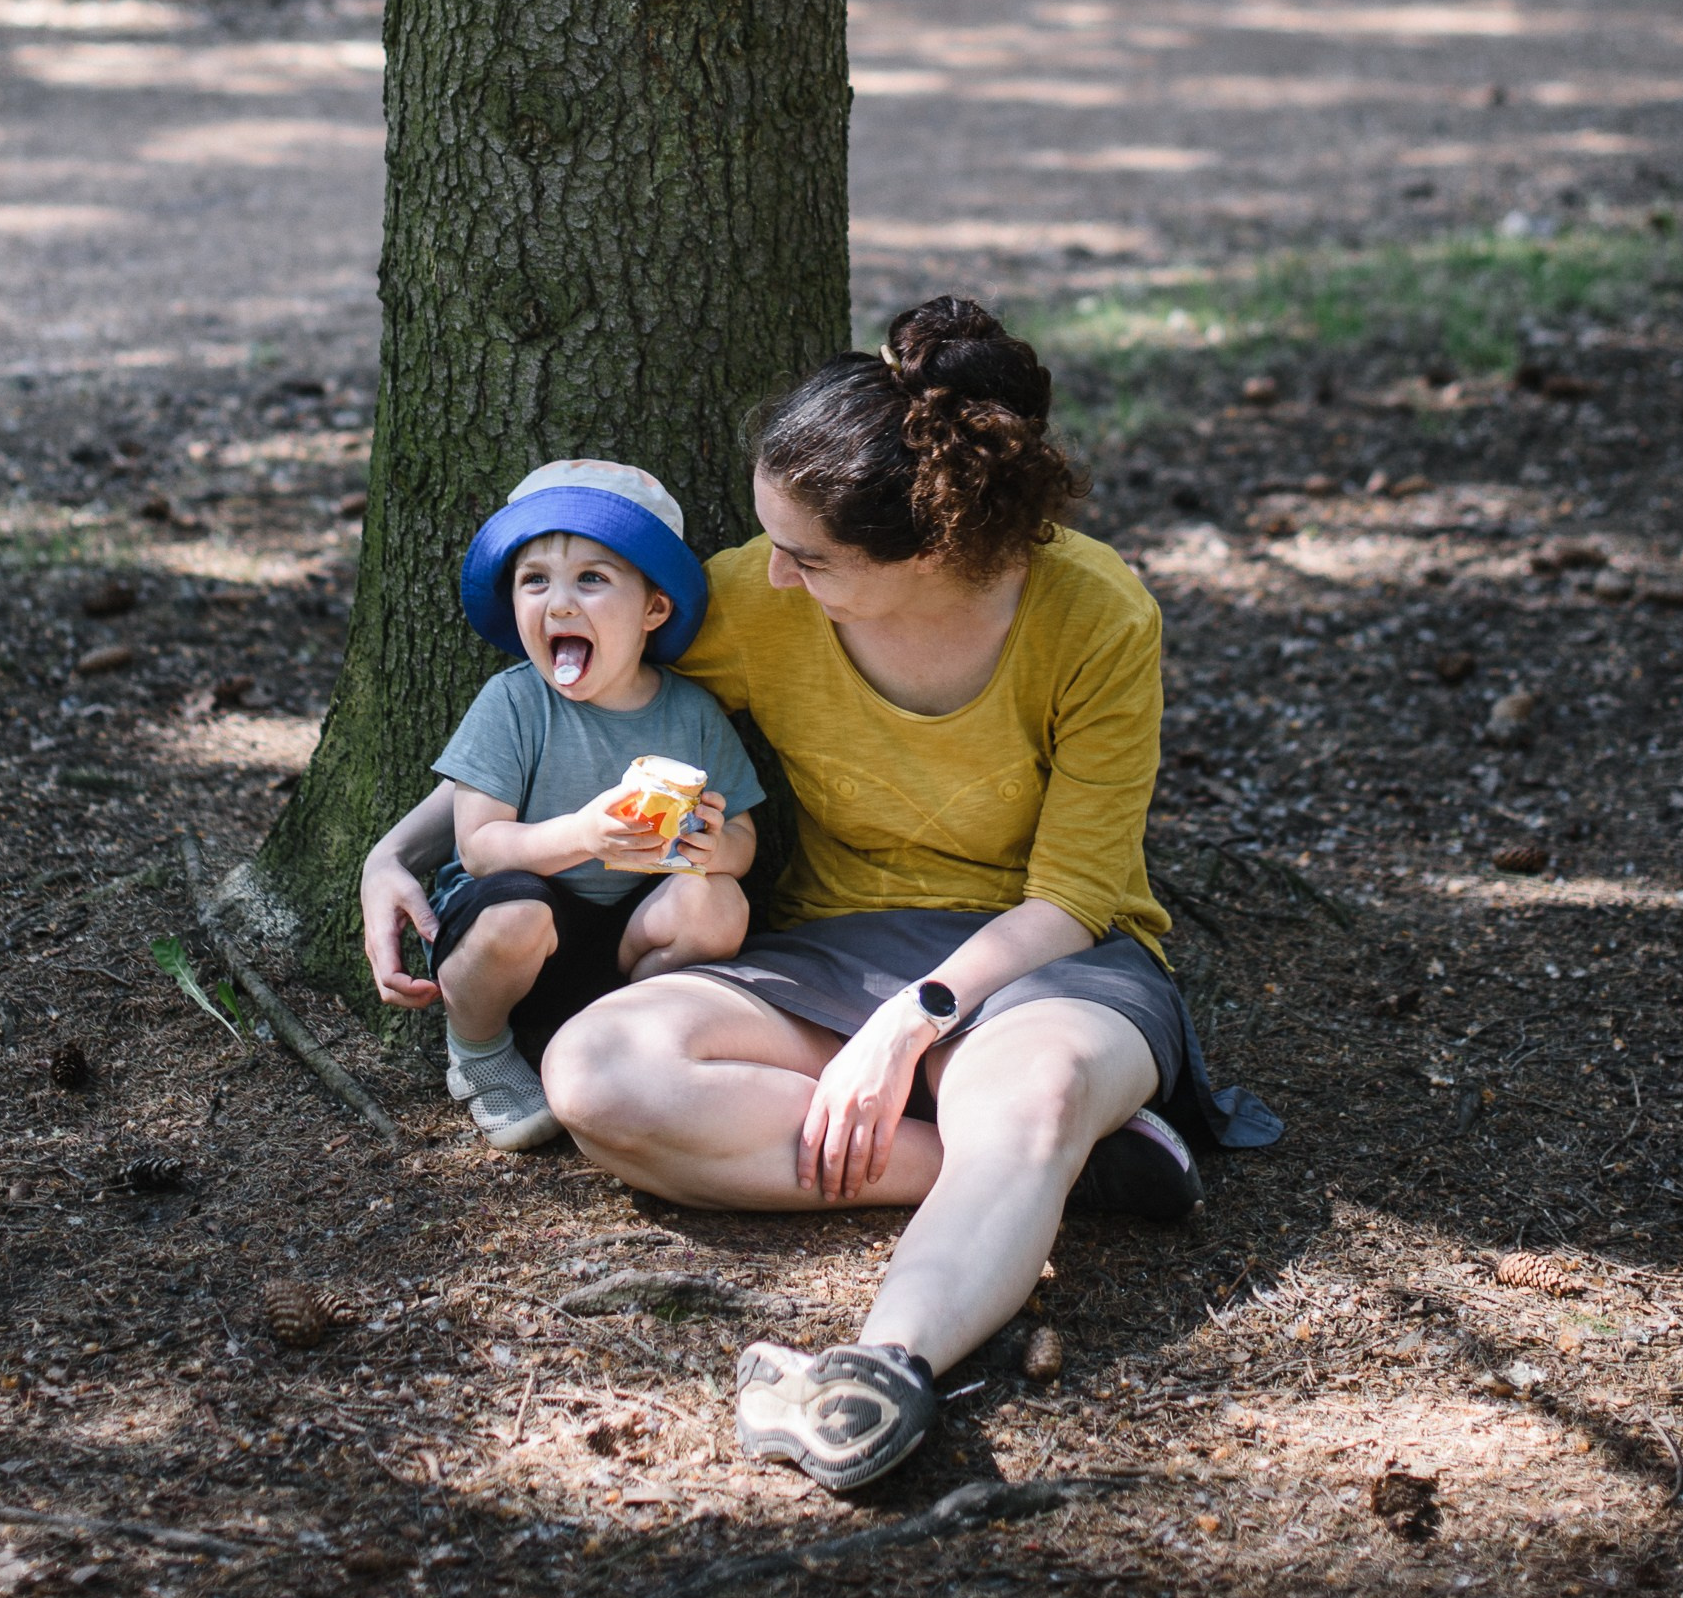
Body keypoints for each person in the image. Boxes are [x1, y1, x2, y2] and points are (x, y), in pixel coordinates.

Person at [361, 302, 1276, 1494]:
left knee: (1033, 1085)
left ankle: (884, 1364)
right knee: (599, 1076)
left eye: (809, 556)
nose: (771, 575)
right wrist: (395, 848)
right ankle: (1055, 1169)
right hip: (831, 946)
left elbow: (1072, 894)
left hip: (1047, 958)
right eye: (769, 541)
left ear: (930, 547)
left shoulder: (1094, 614)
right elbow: (569, 697)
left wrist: (914, 1019)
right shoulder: (761, 596)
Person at [425, 459, 764, 1152]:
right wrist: (585, 834)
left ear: (654, 609)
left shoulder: (692, 712)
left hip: (631, 945)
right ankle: (481, 1050)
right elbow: (479, 848)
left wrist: (714, 846)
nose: (558, 604)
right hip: (518, 927)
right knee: (516, 914)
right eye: (534, 580)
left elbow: (744, 836)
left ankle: (615, 1037)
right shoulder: (514, 702)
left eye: (591, 579)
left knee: (720, 900)